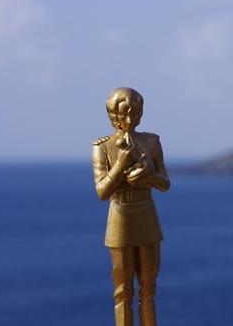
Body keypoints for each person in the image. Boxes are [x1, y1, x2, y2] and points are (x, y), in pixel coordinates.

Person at [92, 87, 171, 326]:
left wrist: (150, 175)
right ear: (113, 116)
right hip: (121, 216)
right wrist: (120, 165)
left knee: (148, 286)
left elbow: (165, 184)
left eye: (134, 114)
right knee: (123, 289)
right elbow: (102, 192)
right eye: (123, 114)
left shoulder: (152, 142)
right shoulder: (103, 147)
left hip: (146, 212)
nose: (129, 120)